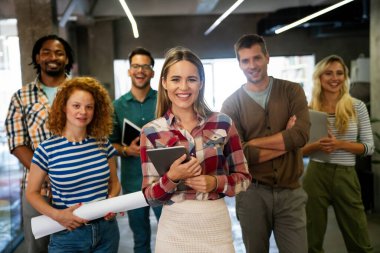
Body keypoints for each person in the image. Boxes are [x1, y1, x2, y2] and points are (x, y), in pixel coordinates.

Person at [140, 46, 251, 252]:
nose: (184, 87)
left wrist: (215, 183)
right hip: (173, 229)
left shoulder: (223, 123)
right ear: (164, 83)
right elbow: (149, 196)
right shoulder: (151, 132)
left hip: (215, 226)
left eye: (191, 79)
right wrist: (172, 177)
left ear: (201, 83)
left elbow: (244, 179)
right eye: (175, 79)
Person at [221, 34, 310, 253]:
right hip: (252, 193)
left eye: (257, 58)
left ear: (267, 58)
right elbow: (239, 156)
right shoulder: (231, 105)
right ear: (239, 64)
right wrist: (285, 140)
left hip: (291, 193)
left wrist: (251, 144)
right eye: (245, 60)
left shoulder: (292, 91)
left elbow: (300, 136)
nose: (252, 65)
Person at [26, 77, 121, 252]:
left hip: (106, 232)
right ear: (64, 107)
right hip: (67, 234)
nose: (83, 112)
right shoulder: (47, 149)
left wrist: (112, 203)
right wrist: (58, 215)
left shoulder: (103, 143)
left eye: (89, 107)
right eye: (76, 105)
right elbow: (31, 193)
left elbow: (114, 183)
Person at [5, 34, 74, 253]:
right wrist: (47, 174)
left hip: (79, 188)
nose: (52, 57)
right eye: (46, 52)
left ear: (67, 59)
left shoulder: (82, 92)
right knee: (38, 248)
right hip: (37, 191)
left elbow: (98, 138)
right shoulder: (21, 97)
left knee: (78, 245)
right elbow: (17, 143)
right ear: (37, 57)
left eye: (59, 52)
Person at [302, 55, 374, 253]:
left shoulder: (357, 106)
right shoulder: (308, 109)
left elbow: (369, 147)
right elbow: (298, 151)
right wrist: (316, 145)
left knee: (358, 237)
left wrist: (339, 144)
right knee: (311, 239)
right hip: (316, 174)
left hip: (346, 175)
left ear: (345, 76)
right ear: (319, 77)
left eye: (339, 73)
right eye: (329, 73)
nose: (335, 78)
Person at [109, 47, 162, 253]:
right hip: (133, 183)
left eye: (146, 66)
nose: (140, 71)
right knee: (140, 239)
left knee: (170, 234)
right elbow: (109, 144)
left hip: (163, 180)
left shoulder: (164, 101)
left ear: (152, 72)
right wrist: (126, 150)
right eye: (136, 66)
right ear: (129, 71)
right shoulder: (117, 106)